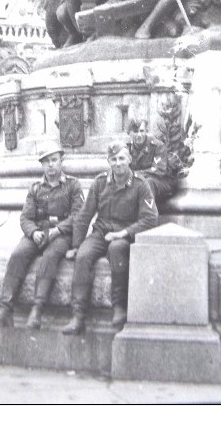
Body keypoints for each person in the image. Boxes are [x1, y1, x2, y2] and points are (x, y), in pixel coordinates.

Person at [61, 142, 158, 335]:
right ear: (108, 162)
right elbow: (84, 215)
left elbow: (150, 218)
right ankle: (78, 315)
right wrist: (76, 245)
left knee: (117, 249)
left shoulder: (141, 185)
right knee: (83, 256)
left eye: (122, 158)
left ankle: (119, 307)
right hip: (101, 232)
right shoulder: (100, 183)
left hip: (124, 234)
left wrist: (123, 233)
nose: (118, 163)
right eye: (113, 159)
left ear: (129, 159)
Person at [0, 141, 84, 329]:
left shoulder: (73, 185)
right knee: (18, 255)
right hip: (39, 231)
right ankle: (5, 309)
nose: (50, 165)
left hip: (61, 233)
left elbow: (78, 215)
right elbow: (25, 218)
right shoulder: (36, 188)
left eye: (54, 160)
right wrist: (33, 232)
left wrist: (58, 230)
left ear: (60, 161)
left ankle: (37, 309)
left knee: (50, 256)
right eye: (46, 161)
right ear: (42, 164)